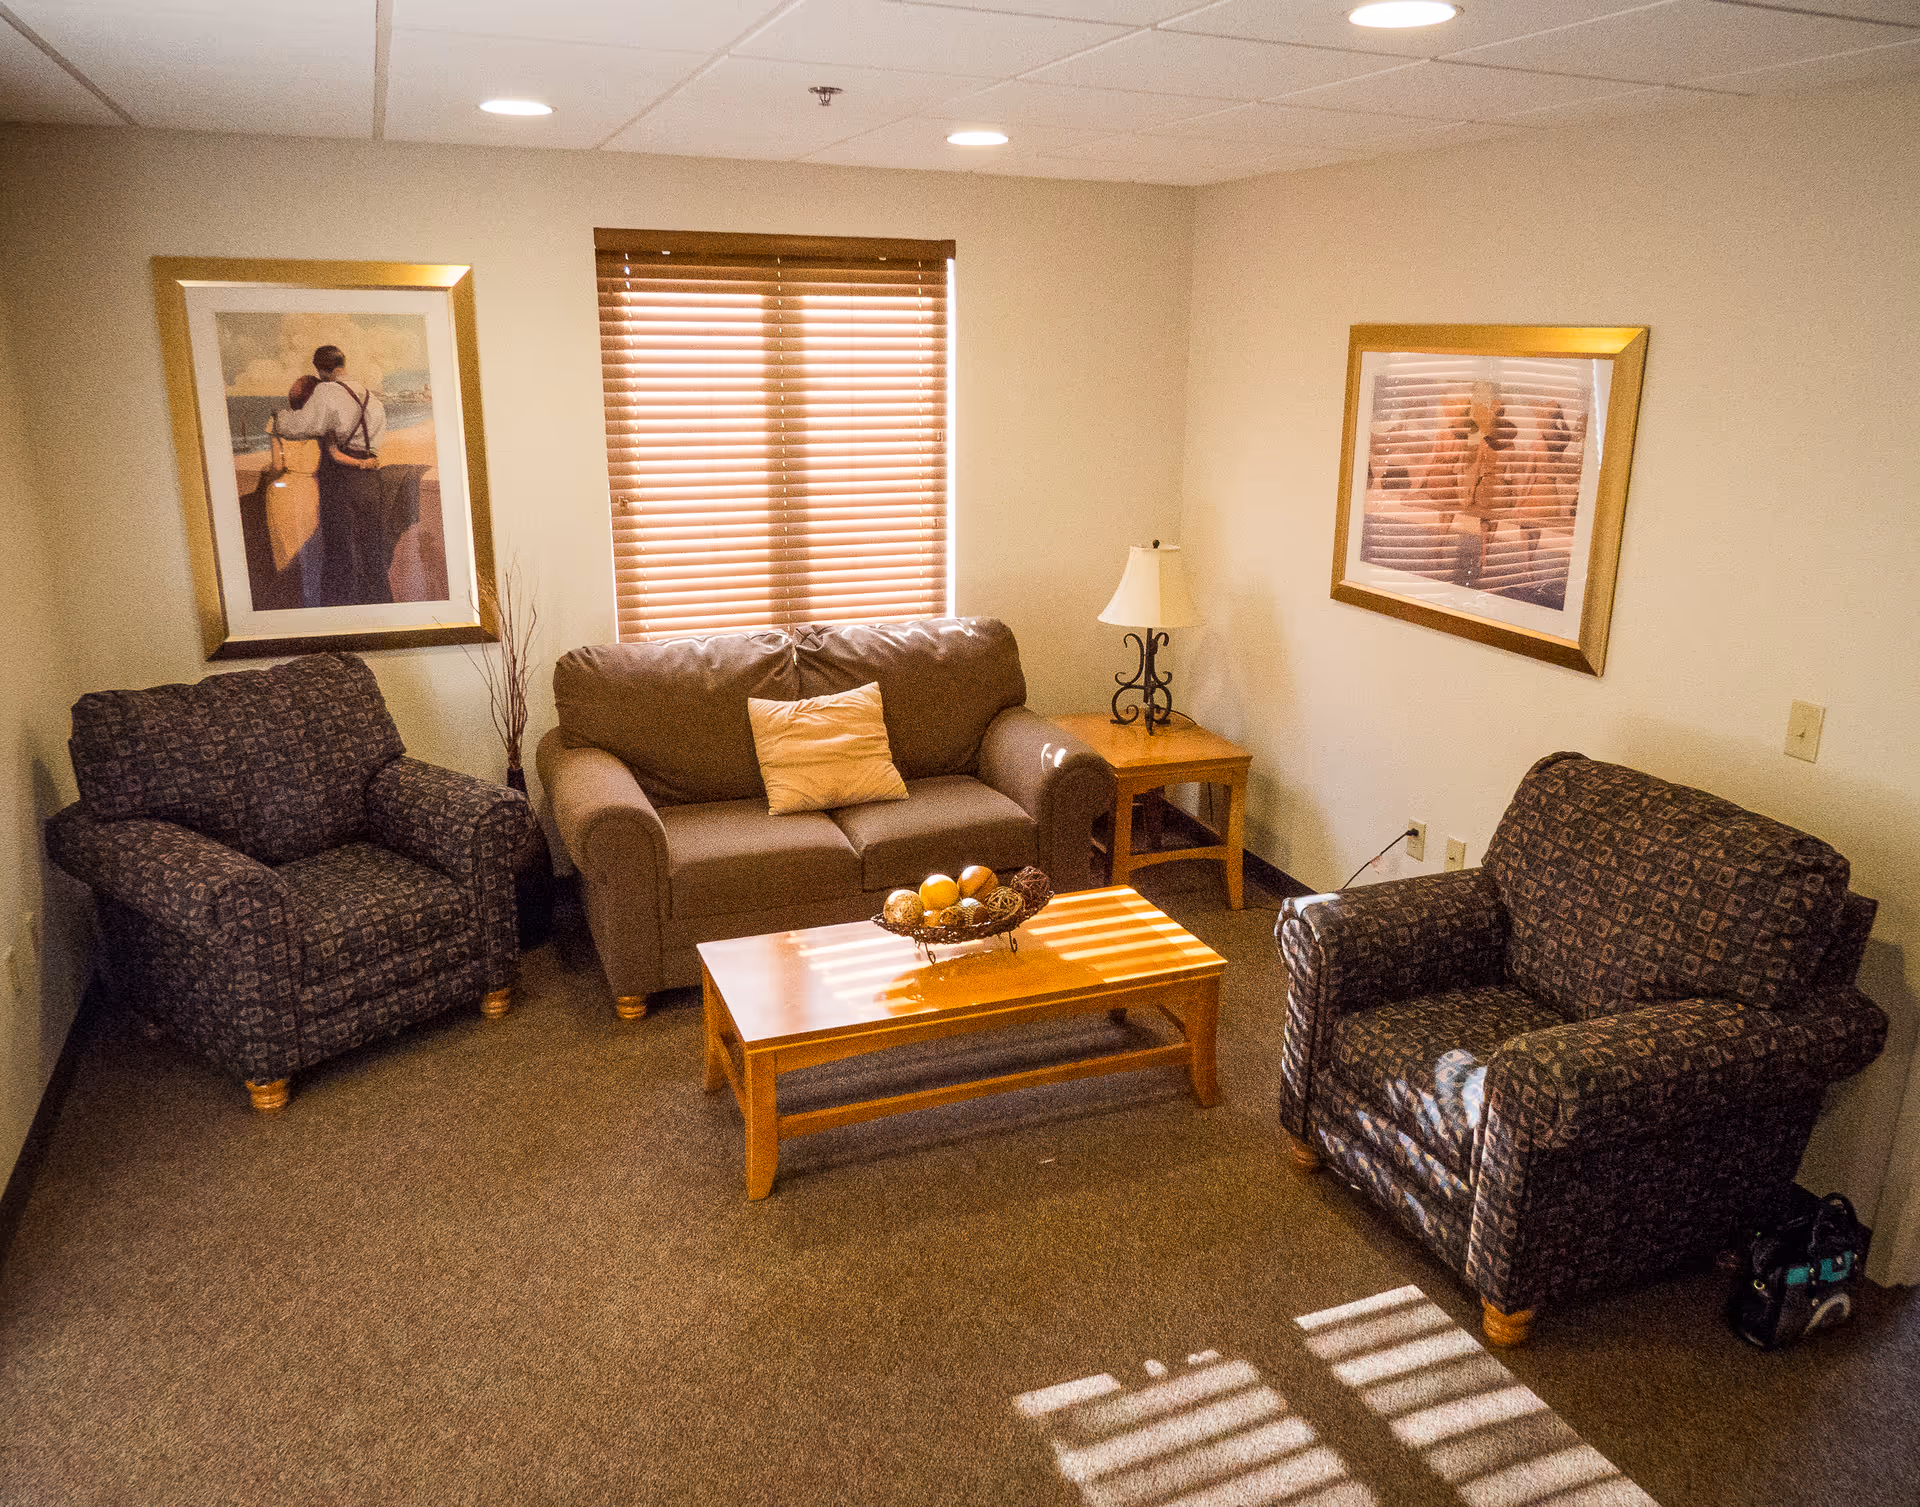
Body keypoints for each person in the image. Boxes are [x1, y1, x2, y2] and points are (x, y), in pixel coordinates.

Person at [272, 344, 392, 605]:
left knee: (341, 552)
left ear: (319, 368)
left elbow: (302, 426)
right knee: (372, 551)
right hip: (371, 480)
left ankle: (341, 610)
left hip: (342, 480)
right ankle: (380, 606)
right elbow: (377, 443)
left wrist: (278, 418)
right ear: (342, 363)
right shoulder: (370, 395)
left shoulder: (327, 391)